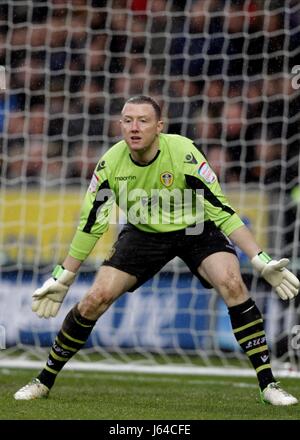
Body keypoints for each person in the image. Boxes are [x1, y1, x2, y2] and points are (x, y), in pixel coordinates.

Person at [14, 95, 299, 405]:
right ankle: (43, 379)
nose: (134, 128)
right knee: (95, 298)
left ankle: (268, 384)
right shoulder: (110, 164)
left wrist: (260, 259)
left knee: (233, 283)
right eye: (127, 120)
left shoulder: (184, 154)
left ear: (159, 126)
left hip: (196, 228)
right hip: (143, 232)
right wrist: (64, 276)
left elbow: (222, 211)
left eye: (143, 121)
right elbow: (91, 224)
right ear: (120, 124)